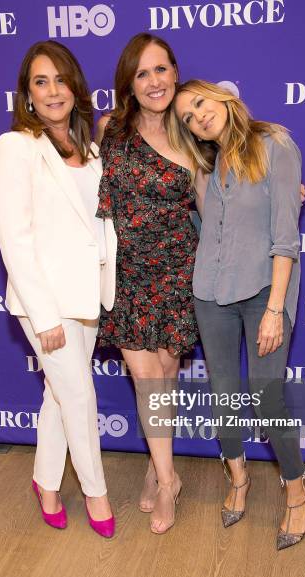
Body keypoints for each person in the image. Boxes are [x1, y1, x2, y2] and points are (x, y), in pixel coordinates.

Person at [170, 79, 305, 550]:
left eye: (199, 103)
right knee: (224, 395)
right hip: (210, 293)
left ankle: (297, 492)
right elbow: (207, 227)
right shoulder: (203, 167)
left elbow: (286, 237)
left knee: (266, 399)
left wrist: (275, 308)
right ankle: (239, 479)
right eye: (187, 117)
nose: (197, 117)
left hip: (264, 293)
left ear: (223, 97)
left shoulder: (276, 145)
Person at [0, 40, 116, 537]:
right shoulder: (16, 147)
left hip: (88, 297)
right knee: (79, 395)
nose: (53, 90)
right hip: (46, 302)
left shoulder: (91, 150)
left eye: (61, 79)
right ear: (27, 94)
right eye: (41, 82)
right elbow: (14, 239)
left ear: (75, 86)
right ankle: (96, 493)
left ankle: (45, 482)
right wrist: (43, 317)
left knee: (58, 395)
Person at [94, 33, 198, 534]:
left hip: (179, 270)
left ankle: (157, 465)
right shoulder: (110, 128)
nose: (154, 81)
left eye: (161, 70)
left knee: (166, 376)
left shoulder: (193, 132)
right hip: (127, 273)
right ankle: (168, 477)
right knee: (147, 378)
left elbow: (223, 198)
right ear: (129, 84)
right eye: (142, 73)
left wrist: (281, 190)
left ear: (175, 73)